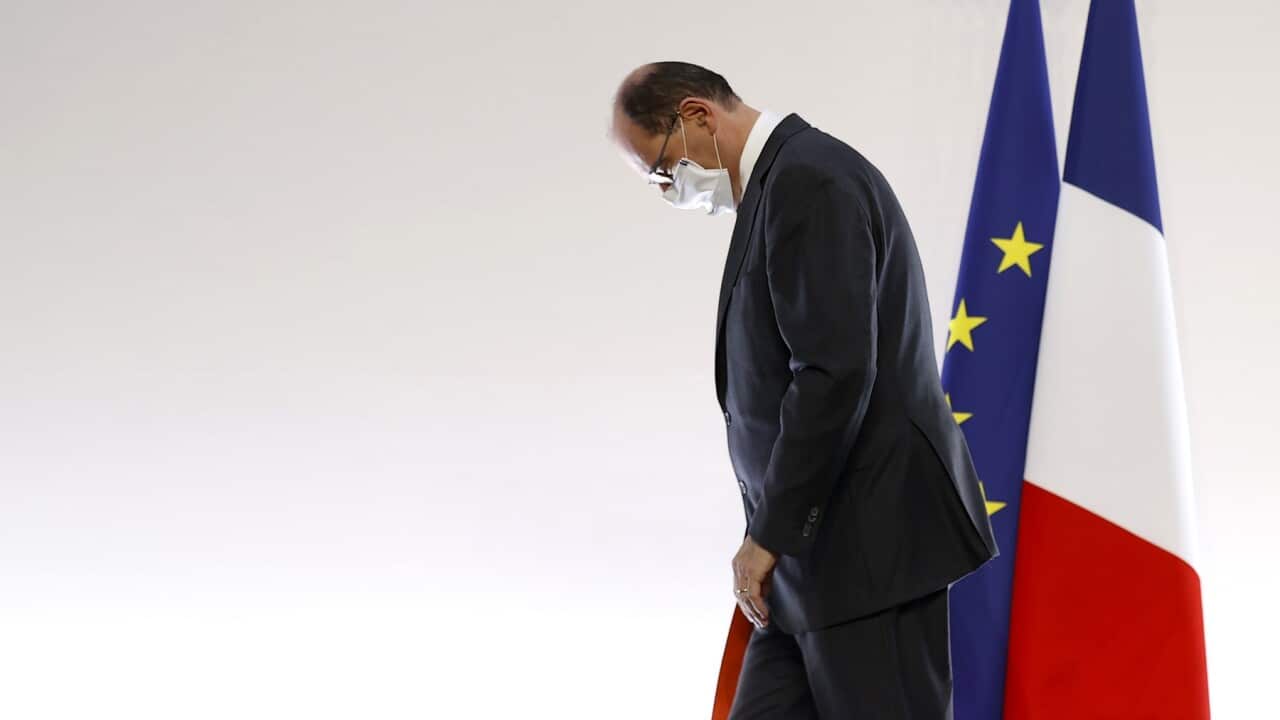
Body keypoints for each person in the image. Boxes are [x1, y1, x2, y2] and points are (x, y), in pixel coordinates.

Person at [609, 61, 999, 719]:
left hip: (869, 554)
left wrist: (769, 535)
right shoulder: (779, 184)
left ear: (697, 116)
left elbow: (833, 373)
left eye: (663, 170)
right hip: (807, 564)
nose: (670, 189)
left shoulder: (810, 181)